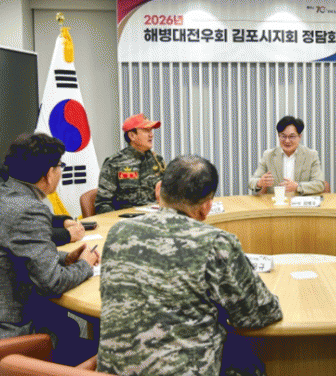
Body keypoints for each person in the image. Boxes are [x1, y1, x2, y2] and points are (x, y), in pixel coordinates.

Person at [98, 155, 283, 376]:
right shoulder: (216, 243)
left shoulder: (118, 232)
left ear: (158, 190)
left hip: (113, 371)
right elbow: (258, 314)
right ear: (206, 207)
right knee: (249, 360)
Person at [0, 133, 99, 343]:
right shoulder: (28, 209)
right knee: (77, 336)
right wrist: (85, 264)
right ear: (49, 174)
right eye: (60, 166)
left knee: (67, 325)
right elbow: (52, 283)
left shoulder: (0, 194)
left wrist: (64, 258)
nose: (61, 172)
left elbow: (16, 253)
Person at [0, 164, 85, 246]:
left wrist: (62, 222)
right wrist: (67, 235)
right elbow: (30, 234)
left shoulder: (13, 177)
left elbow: (34, 218)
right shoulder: (3, 190)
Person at [95, 113, 166, 213]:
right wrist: (119, 220)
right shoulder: (115, 163)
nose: (151, 134)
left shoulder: (157, 160)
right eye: (146, 130)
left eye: (151, 130)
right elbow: (102, 204)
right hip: (126, 217)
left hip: (154, 216)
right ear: (132, 136)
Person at [249, 115, 325, 195]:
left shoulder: (311, 155)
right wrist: (259, 182)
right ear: (279, 136)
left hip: (301, 200)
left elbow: (319, 184)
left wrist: (297, 187)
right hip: (277, 201)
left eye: (291, 136)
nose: (287, 141)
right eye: (283, 136)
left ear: (300, 136)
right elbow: (251, 182)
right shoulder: (268, 156)